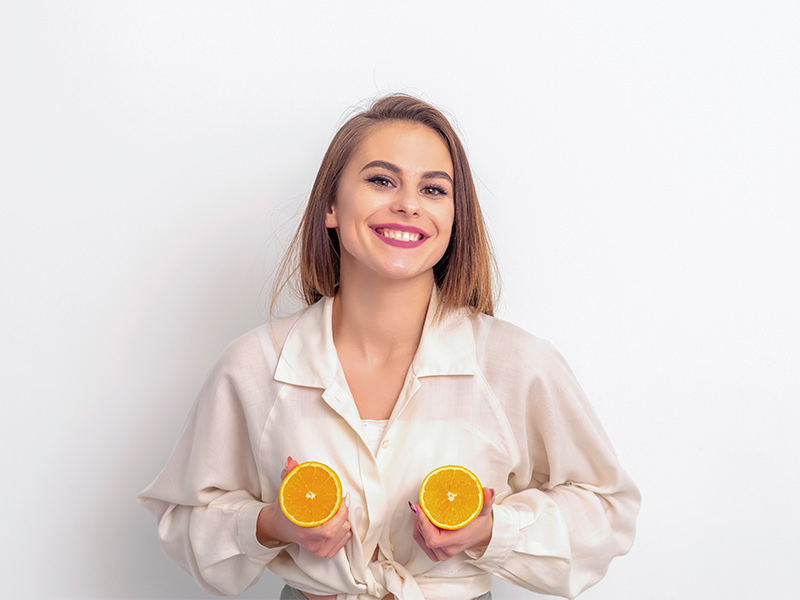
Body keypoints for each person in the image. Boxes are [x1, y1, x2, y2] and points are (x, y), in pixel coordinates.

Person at [139, 94, 640, 600]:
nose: (408, 203)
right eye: (381, 180)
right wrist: (272, 525)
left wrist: (492, 530)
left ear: (453, 218)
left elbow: (607, 508)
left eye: (433, 188)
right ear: (331, 206)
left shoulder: (516, 364)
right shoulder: (254, 364)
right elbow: (184, 518)